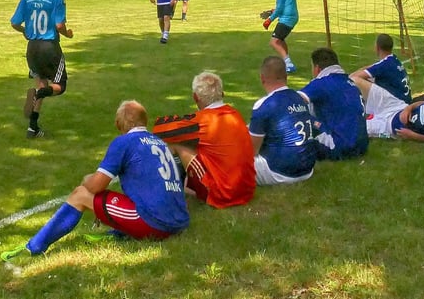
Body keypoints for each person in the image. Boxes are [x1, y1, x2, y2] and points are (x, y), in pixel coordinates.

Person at [1, 100, 188, 261]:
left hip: (157, 224)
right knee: (125, 197)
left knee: (80, 195)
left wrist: (87, 179)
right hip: (179, 221)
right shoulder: (159, 142)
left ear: (119, 123)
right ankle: (122, 232)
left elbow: (96, 186)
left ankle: (33, 248)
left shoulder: (123, 142)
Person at [152, 71, 256, 207]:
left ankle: (169, 182)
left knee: (177, 144)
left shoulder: (202, 121)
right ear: (222, 94)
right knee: (195, 142)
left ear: (195, 97)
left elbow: (160, 129)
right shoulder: (235, 114)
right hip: (247, 190)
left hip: (224, 195)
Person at [11, 0, 73, 139]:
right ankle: (37, 95)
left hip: (32, 48)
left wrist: (25, 31)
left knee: (42, 83)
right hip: (49, 47)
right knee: (60, 86)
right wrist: (67, 34)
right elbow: (59, 25)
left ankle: (33, 128)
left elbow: (15, 22)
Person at [248, 56, 316, 185]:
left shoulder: (263, 105)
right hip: (307, 169)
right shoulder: (300, 98)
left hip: (279, 172)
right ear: (286, 76)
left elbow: (252, 151)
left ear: (262, 78)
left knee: (233, 155)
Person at [298, 47, 368, 160]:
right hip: (362, 144)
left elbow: (293, 100)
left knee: (298, 113)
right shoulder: (350, 82)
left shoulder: (321, 83)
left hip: (339, 146)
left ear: (317, 68)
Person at [350, 34, 413, 121]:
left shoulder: (384, 65)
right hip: (405, 101)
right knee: (368, 80)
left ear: (377, 47)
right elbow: (372, 68)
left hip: (397, 104)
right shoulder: (393, 59)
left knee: (354, 81)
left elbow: (353, 76)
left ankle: (356, 112)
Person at [261, 0, 299, 73]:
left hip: (287, 18)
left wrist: (269, 20)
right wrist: (273, 11)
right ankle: (287, 63)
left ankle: (289, 64)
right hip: (292, 16)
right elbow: (286, 4)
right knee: (280, 40)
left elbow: (281, 8)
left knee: (274, 42)